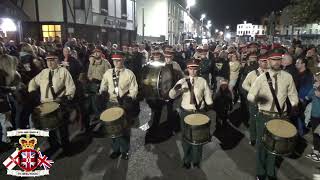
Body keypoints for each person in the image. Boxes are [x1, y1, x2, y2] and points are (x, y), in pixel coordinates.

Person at [247, 49, 299, 180]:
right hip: (263, 115)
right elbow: (250, 95)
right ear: (268, 61)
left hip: (279, 116)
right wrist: (259, 99)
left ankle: (270, 172)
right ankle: (260, 171)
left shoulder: (288, 77)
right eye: (273, 60)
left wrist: (294, 104)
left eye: (278, 59)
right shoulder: (261, 78)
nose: (276, 62)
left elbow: (293, 94)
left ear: (281, 61)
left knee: (274, 146)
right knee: (261, 145)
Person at [28, 51, 76, 155]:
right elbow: (33, 82)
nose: (49, 63)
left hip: (59, 103)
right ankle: (54, 145)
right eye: (48, 60)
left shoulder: (63, 71)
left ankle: (66, 146)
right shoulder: (44, 72)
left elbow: (70, 86)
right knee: (49, 128)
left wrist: (67, 97)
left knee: (62, 127)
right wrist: (32, 92)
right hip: (45, 104)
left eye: (52, 60)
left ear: (57, 60)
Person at [169, 58, 213, 169]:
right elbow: (171, 95)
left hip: (199, 112)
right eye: (190, 68)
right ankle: (187, 159)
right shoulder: (182, 81)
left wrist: (210, 103)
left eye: (195, 69)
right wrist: (176, 89)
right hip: (186, 112)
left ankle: (196, 160)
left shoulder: (202, 81)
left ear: (198, 69)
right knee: (185, 137)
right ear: (187, 69)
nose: (193, 71)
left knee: (198, 138)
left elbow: (208, 97)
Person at [99, 51, 138, 160]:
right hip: (111, 103)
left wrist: (130, 97)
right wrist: (102, 92)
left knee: (124, 129)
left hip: (123, 104)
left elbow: (134, 88)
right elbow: (104, 85)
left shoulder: (129, 73)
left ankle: (125, 151)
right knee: (112, 129)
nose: (116, 63)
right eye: (114, 60)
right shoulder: (108, 73)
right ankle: (116, 150)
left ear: (123, 60)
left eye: (119, 60)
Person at [242, 54, 269, 145]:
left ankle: (263, 138)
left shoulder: (271, 73)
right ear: (259, 62)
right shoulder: (253, 73)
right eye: (263, 61)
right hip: (255, 101)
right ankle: (253, 138)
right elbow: (244, 84)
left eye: (266, 61)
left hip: (266, 101)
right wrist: (252, 91)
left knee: (265, 121)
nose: (265, 63)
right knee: (253, 120)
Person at [305, 74, 320, 162]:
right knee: (316, 134)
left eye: (316, 80)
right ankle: (316, 151)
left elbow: (310, 96)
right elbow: (308, 96)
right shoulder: (315, 89)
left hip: (317, 116)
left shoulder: (317, 90)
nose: (314, 82)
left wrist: (315, 89)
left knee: (317, 134)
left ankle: (316, 153)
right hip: (315, 115)